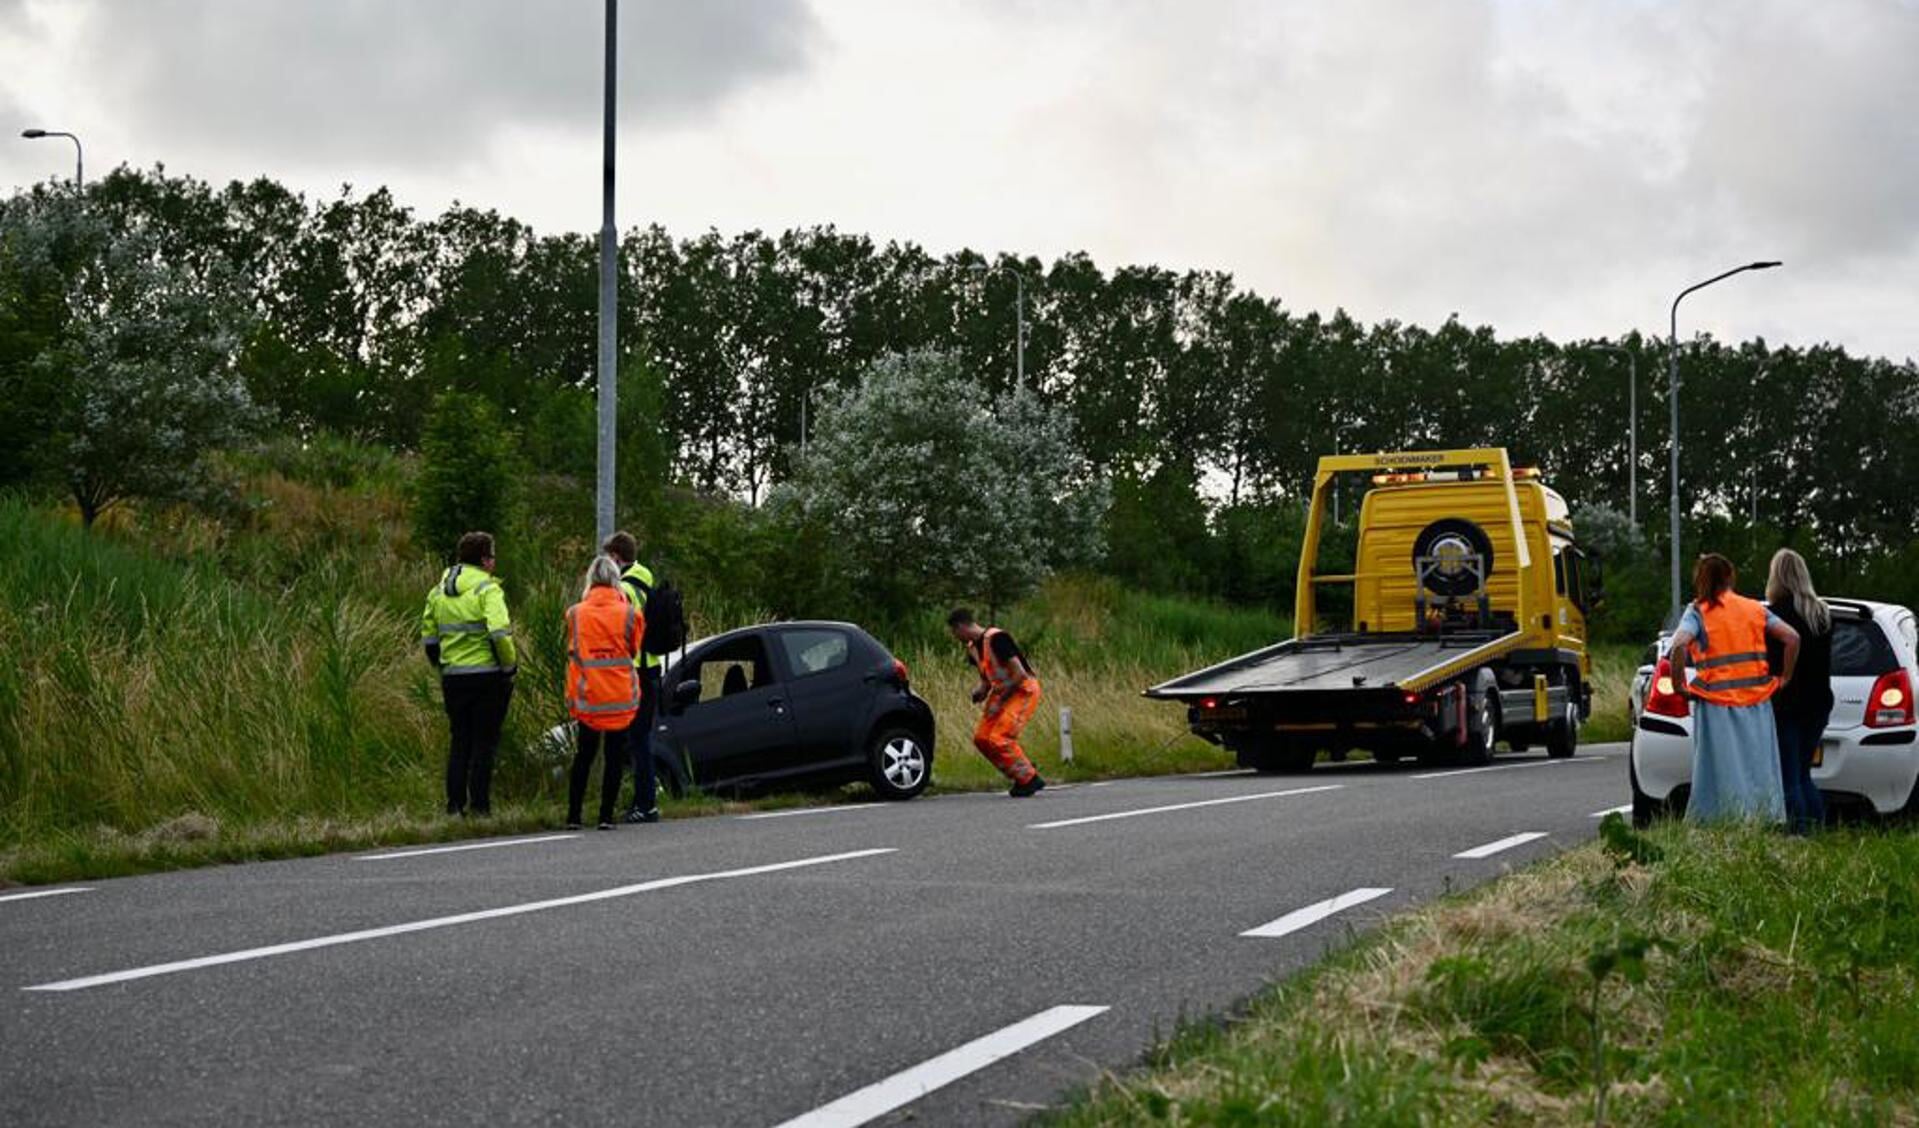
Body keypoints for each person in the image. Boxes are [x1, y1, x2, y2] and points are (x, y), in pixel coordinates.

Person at [1668, 553, 1798, 824]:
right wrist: (1785, 676)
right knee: (1759, 765)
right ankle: (1764, 818)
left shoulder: (1698, 611)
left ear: (1701, 579)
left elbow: (1679, 644)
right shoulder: (1754, 608)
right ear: (1730, 576)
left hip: (1716, 704)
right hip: (1757, 702)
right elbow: (1792, 637)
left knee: (1719, 770)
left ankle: (1717, 821)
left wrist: (1679, 683)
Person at [419, 531, 517, 817]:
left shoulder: (438, 591)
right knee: (484, 743)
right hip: (487, 676)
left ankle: (454, 805)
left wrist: (443, 664)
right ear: (485, 560)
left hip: (453, 676)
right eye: (493, 556)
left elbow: (429, 636)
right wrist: (508, 666)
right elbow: (499, 633)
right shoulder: (487, 590)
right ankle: (480, 807)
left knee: (459, 740)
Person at [564, 555, 645, 830]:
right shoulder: (632, 614)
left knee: (583, 756)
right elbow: (633, 649)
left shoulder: (575, 613)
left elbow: (572, 649)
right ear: (616, 579)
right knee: (614, 756)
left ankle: (573, 816)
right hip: (620, 696)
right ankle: (605, 817)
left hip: (588, 696)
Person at [1766, 548, 1832, 834]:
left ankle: (1798, 832)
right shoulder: (1822, 613)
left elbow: (1768, 662)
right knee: (1804, 772)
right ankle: (1817, 828)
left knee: (1788, 776)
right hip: (1818, 703)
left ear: (1776, 577)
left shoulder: (1775, 616)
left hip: (1786, 704)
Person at [947, 608, 1046, 797]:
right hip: (1002, 691)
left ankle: (1029, 779)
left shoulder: (997, 638)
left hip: (1022, 690)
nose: (954, 637)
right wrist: (981, 691)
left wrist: (1001, 698)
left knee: (1000, 737)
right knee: (982, 739)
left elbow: (1020, 674)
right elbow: (987, 677)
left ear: (960, 627)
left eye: (954, 632)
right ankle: (1020, 771)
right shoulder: (973, 648)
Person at [602, 530, 662, 824]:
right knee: (640, 737)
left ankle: (646, 803)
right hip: (650, 667)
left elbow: (626, 629)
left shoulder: (626, 588)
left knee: (637, 739)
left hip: (634, 669)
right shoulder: (645, 577)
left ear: (616, 556)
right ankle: (646, 796)